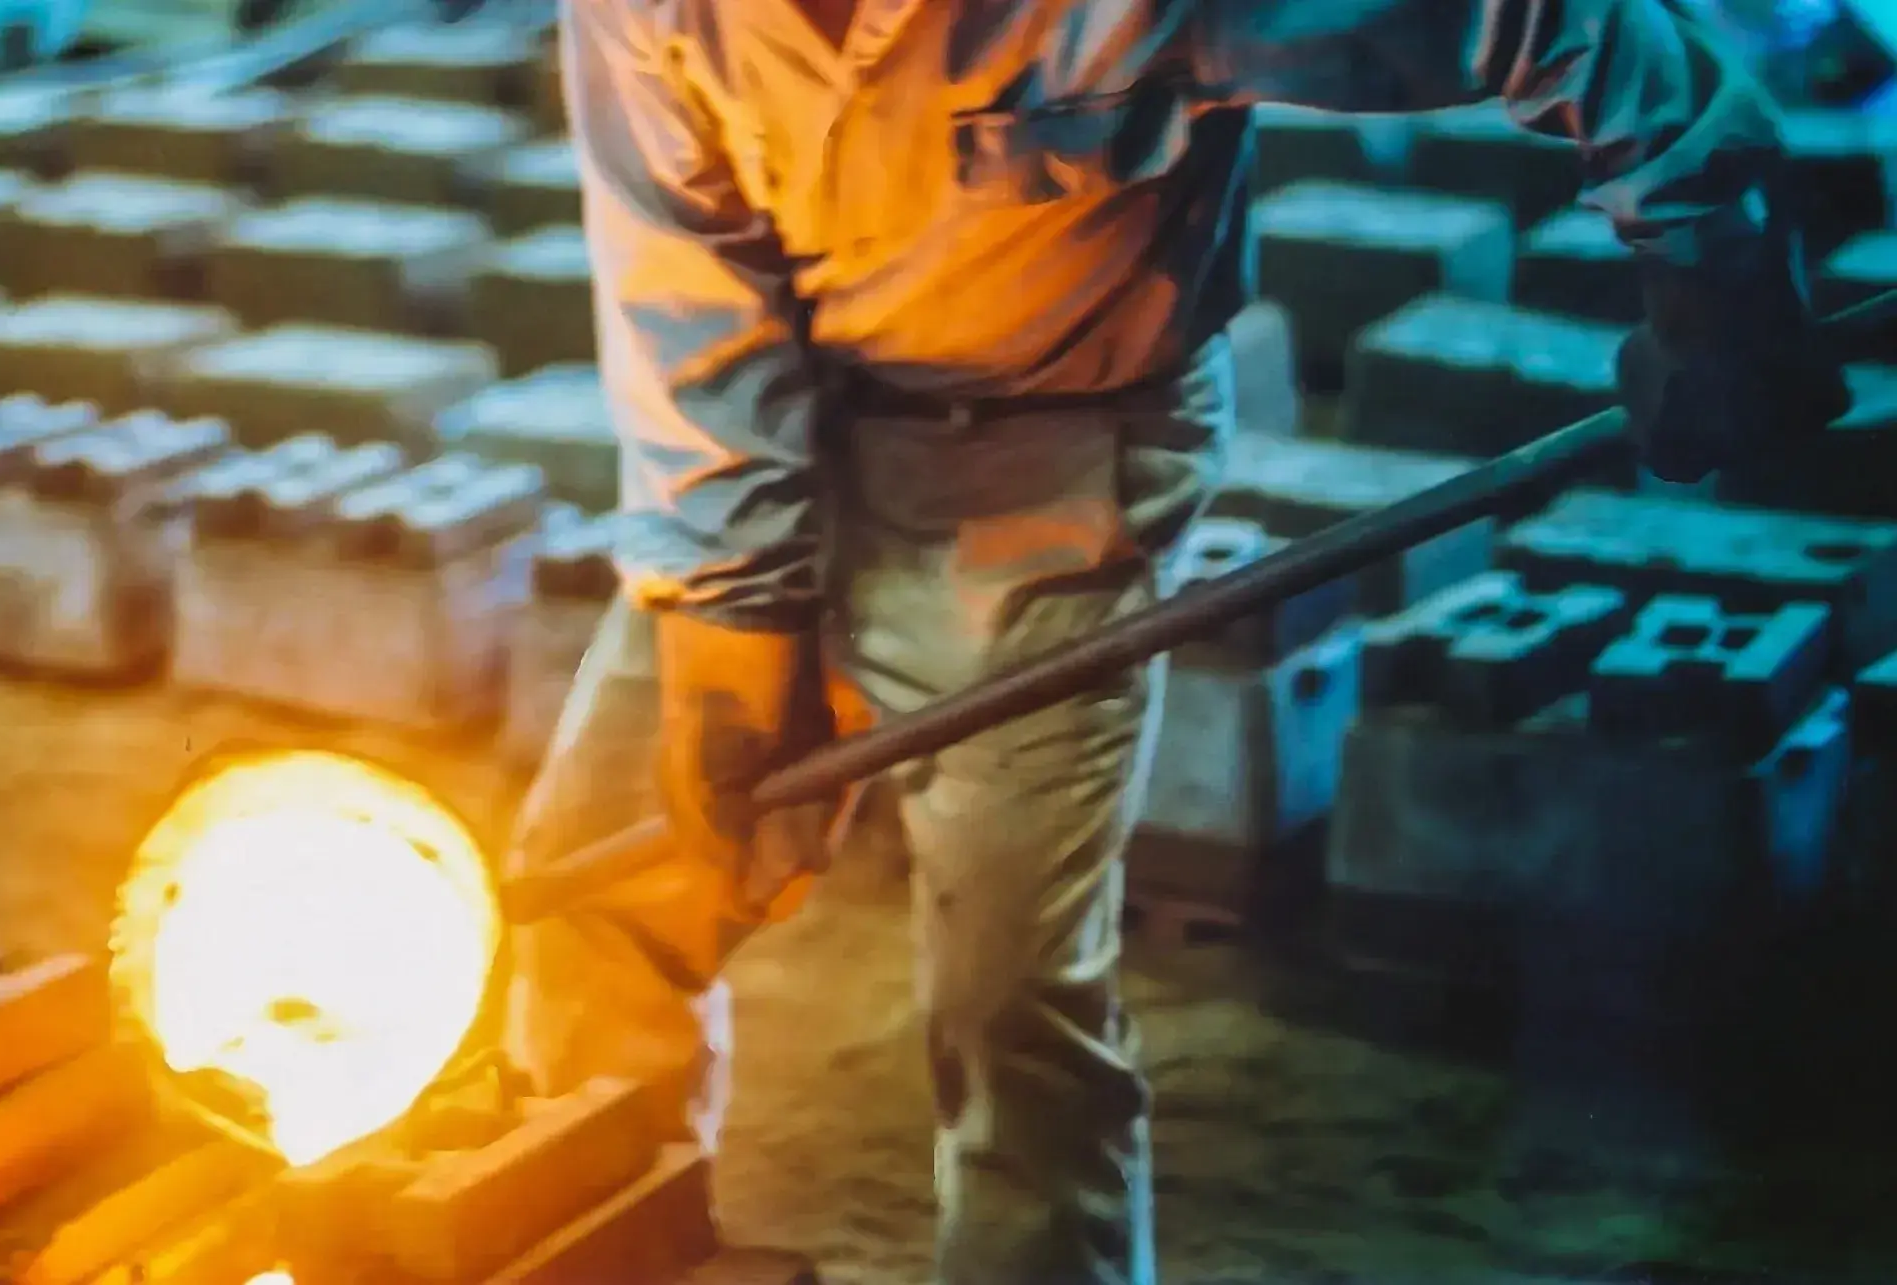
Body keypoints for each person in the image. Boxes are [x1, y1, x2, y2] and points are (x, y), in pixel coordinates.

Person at [503, 2, 1852, 1282]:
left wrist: (1715, 275)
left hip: (1050, 468)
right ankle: (597, 1238)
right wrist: (738, 615)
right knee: (605, 901)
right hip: (781, 441)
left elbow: (1563, 24)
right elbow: (687, 293)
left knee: (1009, 1005)